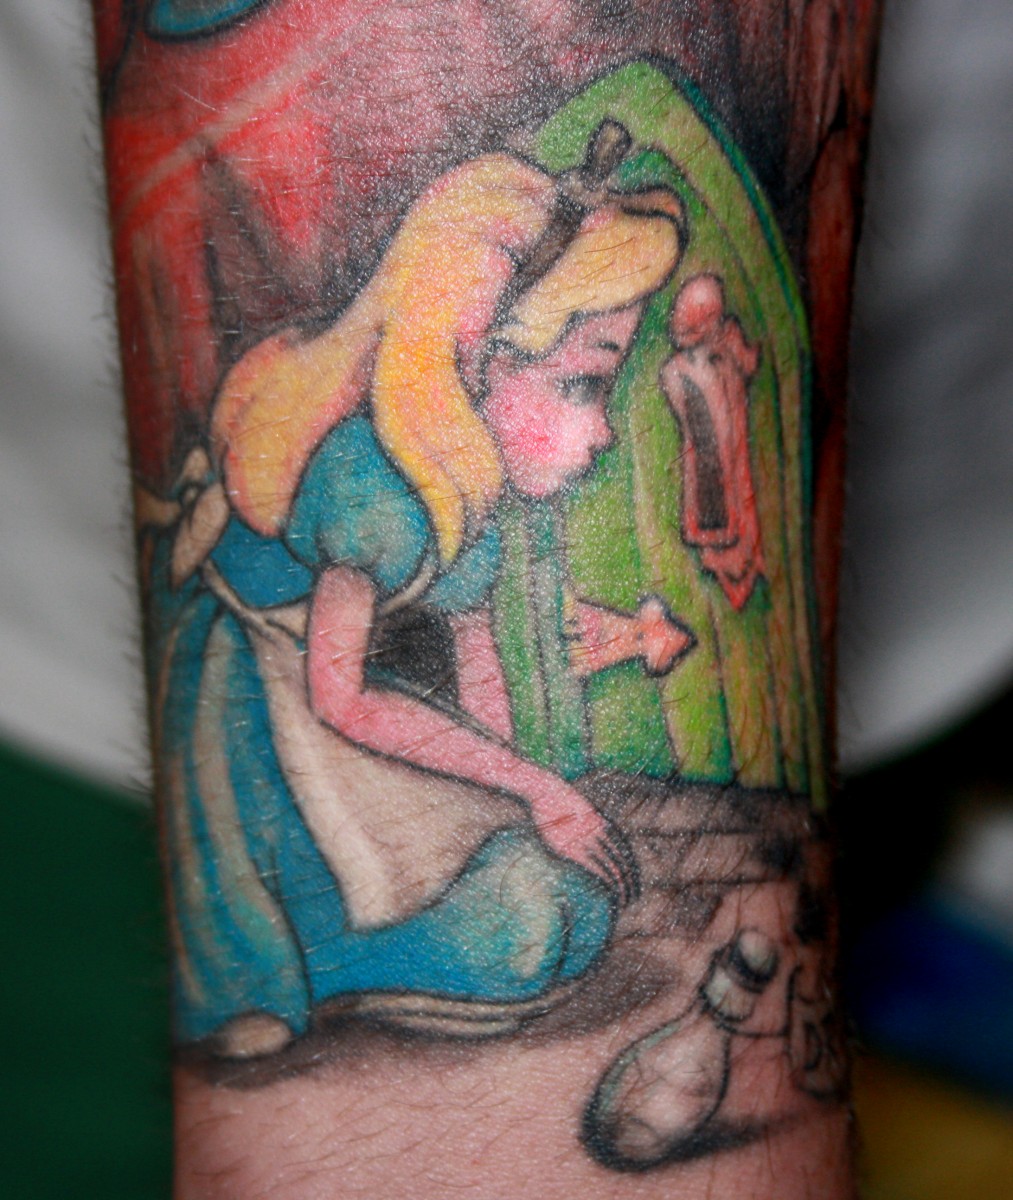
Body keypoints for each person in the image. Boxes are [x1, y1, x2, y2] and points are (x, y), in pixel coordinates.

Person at [142, 125, 693, 1057]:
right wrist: (538, 793)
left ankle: (378, 951)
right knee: (292, 911)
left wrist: (529, 803)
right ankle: (296, 970)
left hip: (344, 716)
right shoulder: (378, 490)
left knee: (561, 905)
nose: (601, 433)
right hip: (251, 710)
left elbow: (480, 684)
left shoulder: (472, 499)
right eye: (582, 385)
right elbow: (338, 697)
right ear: (478, 361)